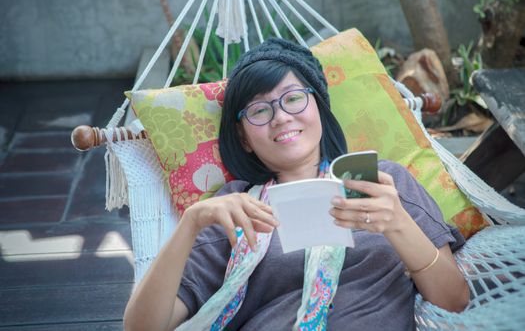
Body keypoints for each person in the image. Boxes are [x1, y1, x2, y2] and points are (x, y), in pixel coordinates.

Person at [123, 38, 469, 331]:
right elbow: (142, 326)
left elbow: (454, 300)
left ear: (318, 105)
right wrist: (191, 222)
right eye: (259, 110)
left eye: (292, 98)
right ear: (243, 138)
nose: (281, 117)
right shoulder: (232, 209)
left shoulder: (382, 184)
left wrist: (398, 224)